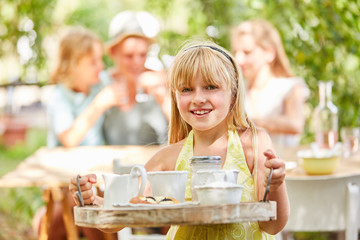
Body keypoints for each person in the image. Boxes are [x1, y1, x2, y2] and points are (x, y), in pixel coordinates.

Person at [69, 40, 290, 239]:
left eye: (211, 87)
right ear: (175, 97)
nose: (198, 98)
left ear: (233, 94)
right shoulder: (169, 157)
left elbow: (272, 226)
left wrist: (276, 185)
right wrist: (93, 201)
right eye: (186, 89)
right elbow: (119, 217)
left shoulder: (253, 143)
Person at [40, 27, 117, 240]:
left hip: (96, 172)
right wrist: (98, 105)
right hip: (65, 177)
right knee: (79, 202)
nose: (101, 66)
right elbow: (69, 139)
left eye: (100, 59)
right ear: (73, 65)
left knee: (97, 205)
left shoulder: (98, 84)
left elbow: (119, 77)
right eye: (93, 62)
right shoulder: (59, 98)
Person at [231, 19, 309, 155]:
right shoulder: (237, 90)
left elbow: (295, 124)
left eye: (247, 52)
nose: (238, 59)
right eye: (236, 52)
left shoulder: (290, 87)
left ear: (270, 53)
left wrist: (247, 123)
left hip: (284, 167)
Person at [100, 10, 169, 145]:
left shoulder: (161, 80)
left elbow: (185, 135)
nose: (137, 62)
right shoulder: (102, 83)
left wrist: (164, 96)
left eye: (142, 54)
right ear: (113, 52)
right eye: (129, 56)